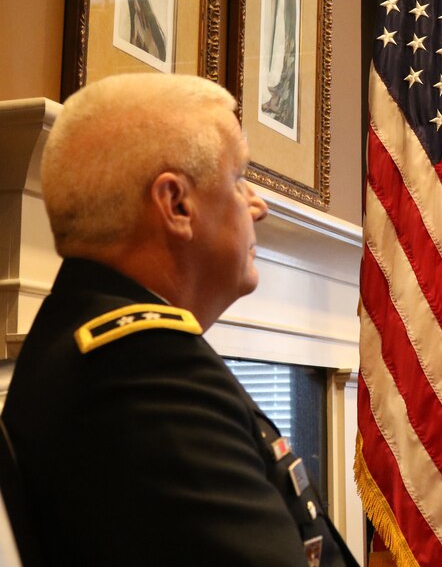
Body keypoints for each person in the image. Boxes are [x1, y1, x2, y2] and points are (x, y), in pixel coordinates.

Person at [1, 73, 358, 566]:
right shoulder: (139, 371)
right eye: (238, 178)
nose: (258, 204)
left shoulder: (117, 351)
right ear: (176, 205)